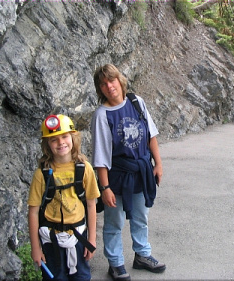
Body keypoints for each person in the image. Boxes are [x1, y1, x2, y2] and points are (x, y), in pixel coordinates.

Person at [90, 64, 166, 281]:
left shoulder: (136, 101)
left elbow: (151, 135)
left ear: (119, 80)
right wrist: (104, 188)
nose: (109, 86)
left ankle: (142, 255)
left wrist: (158, 164)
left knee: (141, 216)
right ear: (100, 89)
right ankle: (115, 263)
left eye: (111, 80)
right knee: (114, 221)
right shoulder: (102, 115)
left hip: (141, 171)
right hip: (117, 175)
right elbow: (101, 156)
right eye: (103, 84)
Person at [28, 114, 100, 281]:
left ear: (73, 138)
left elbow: (91, 205)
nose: (61, 143)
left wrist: (91, 240)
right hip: (50, 241)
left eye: (64, 137)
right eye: (54, 140)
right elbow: (33, 212)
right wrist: (35, 248)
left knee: (81, 277)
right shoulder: (42, 174)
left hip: (78, 238)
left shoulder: (84, 169)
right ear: (47, 144)